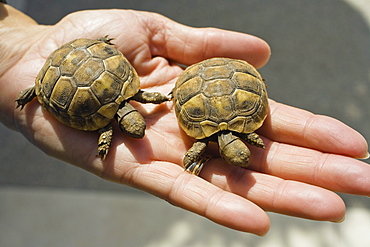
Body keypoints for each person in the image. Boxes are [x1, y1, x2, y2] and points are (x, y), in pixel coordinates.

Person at [0, 3, 369, 236]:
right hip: (68, 73)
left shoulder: (147, 103)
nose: (138, 129)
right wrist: (16, 56)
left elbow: (151, 106)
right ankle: (38, 87)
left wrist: (14, 47)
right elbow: (138, 107)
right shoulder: (138, 97)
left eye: (135, 125)